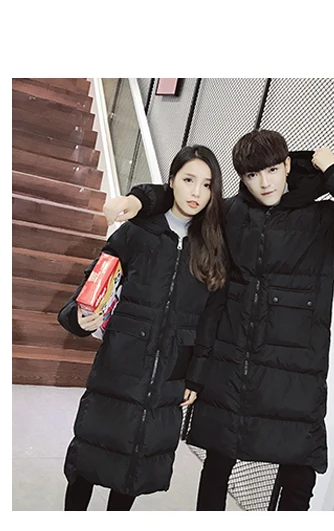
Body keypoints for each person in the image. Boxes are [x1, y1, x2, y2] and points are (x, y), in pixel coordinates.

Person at [102, 130, 334, 510]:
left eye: (272, 170)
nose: (264, 183)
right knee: (218, 464)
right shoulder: (230, 214)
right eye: (252, 175)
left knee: (299, 476)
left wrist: (333, 169)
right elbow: (185, 198)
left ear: (287, 166)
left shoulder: (322, 218)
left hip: (295, 371)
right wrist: (138, 199)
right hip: (230, 362)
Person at [58, 145, 228, 510]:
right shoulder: (137, 231)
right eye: (188, 180)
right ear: (172, 181)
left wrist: (196, 377)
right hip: (119, 364)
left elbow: (209, 321)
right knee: (89, 458)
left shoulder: (212, 246)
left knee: (133, 470)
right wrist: (77, 316)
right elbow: (94, 282)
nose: (196, 192)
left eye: (206, 184)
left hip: (169, 375)